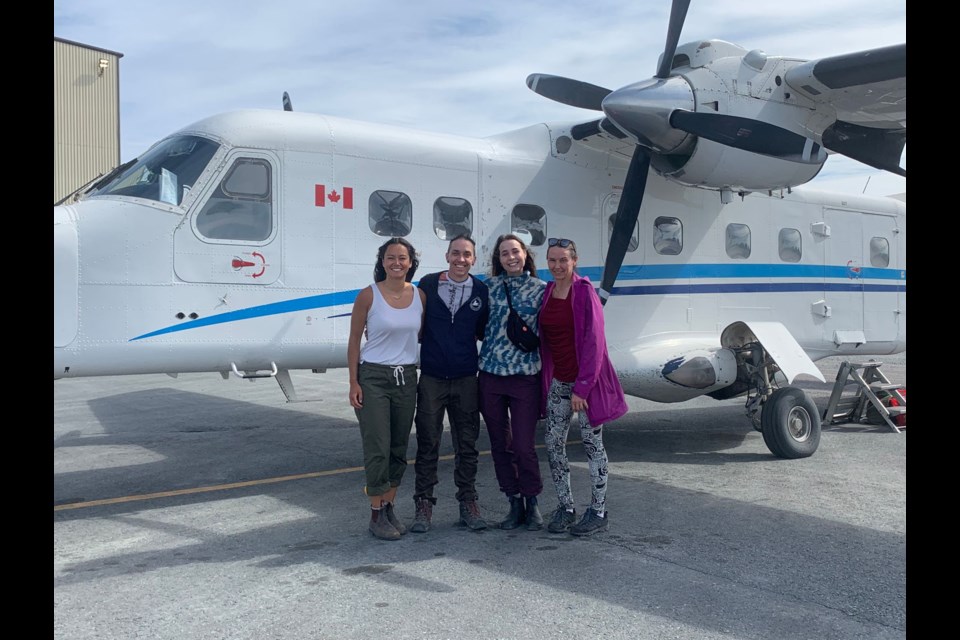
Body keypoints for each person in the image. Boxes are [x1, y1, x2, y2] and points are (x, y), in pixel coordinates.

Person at [538, 237, 628, 536]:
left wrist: (583, 388)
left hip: (585, 387)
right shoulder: (549, 290)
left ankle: (598, 511)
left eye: (563, 260)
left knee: (592, 446)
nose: (557, 266)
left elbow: (594, 342)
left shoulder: (584, 291)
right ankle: (565, 507)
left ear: (574, 261)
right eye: (552, 260)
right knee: (553, 445)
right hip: (560, 382)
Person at [347, 237, 426, 541]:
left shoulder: (420, 296)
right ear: (382, 262)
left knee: (398, 448)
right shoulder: (368, 296)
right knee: (377, 445)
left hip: (406, 377)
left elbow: (419, 336)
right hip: (375, 377)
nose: (396, 263)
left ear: (410, 262)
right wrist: (354, 381)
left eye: (402, 258)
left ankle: (389, 505)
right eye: (390, 258)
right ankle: (376, 513)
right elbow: (355, 341)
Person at [410, 234, 490, 533]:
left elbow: (483, 330)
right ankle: (423, 505)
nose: (461, 259)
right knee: (428, 443)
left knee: (467, 445)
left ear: (473, 259)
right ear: (447, 256)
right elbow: (412, 322)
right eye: (456, 253)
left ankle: (468, 503)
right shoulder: (428, 285)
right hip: (432, 378)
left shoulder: (481, 290)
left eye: (467, 255)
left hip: (467, 377)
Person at [478, 233, 547, 530]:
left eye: (515, 252)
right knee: (499, 445)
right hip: (491, 375)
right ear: (499, 259)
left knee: (523, 445)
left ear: (525, 254)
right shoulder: (488, 288)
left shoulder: (541, 290)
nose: (511, 258)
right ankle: (513, 502)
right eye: (504, 254)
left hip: (524, 376)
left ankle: (532, 501)